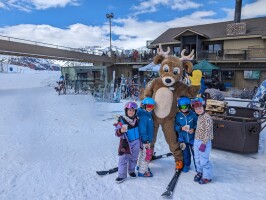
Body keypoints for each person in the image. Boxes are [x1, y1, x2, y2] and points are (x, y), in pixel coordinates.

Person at [114, 102, 140, 183]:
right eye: (129, 110)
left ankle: (131, 171)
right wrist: (121, 130)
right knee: (123, 159)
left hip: (136, 142)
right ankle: (122, 175)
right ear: (126, 111)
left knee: (134, 158)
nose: (131, 112)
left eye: (133, 111)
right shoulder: (122, 121)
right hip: (126, 143)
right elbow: (116, 133)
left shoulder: (137, 120)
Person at [191, 97, 213, 184]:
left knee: (204, 160)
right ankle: (200, 172)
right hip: (197, 141)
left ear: (203, 107)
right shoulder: (199, 117)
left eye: (200, 108)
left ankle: (207, 177)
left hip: (204, 142)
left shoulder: (207, 118)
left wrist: (204, 143)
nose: (198, 110)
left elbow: (207, 131)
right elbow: (199, 130)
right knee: (197, 159)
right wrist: (195, 142)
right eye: (196, 108)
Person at [175, 97, 198, 173]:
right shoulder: (178, 115)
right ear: (179, 107)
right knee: (186, 154)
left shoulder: (193, 115)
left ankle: (198, 166)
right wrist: (181, 128)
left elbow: (197, 124)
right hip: (183, 139)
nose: (184, 109)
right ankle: (187, 165)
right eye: (182, 107)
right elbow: (175, 126)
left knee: (196, 153)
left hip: (192, 139)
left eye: (186, 106)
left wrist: (194, 129)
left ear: (189, 106)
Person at [136, 97, 156, 177]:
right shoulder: (144, 117)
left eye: (152, 106)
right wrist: (146, 140)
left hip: (145, 140)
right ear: (144, 106)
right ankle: (142, 172)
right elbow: (142, 130)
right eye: (148, 106)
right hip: (145, 141)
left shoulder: (147, 114)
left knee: (142, 154)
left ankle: (139, 166)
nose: (150, 108)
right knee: (146, 156)